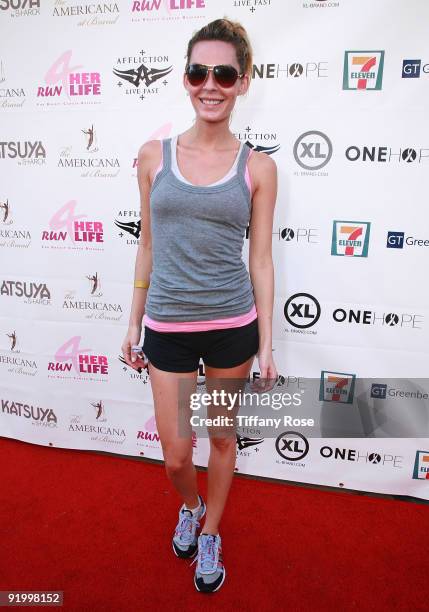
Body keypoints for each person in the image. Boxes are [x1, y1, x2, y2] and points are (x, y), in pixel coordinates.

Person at [121, 17, 278, 593]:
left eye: (224, 73)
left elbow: (260, 260)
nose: (210, 84)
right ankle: (190, 504)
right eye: (198, 72)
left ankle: (209, 529)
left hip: (233, 326)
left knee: (221, 439)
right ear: (185, 79)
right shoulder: (152, 156)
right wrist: (133, 322)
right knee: (175, 458)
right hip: (167, 326)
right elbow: (147, 244)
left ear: (242, 82)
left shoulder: (258, 167)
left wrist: (265, 346)